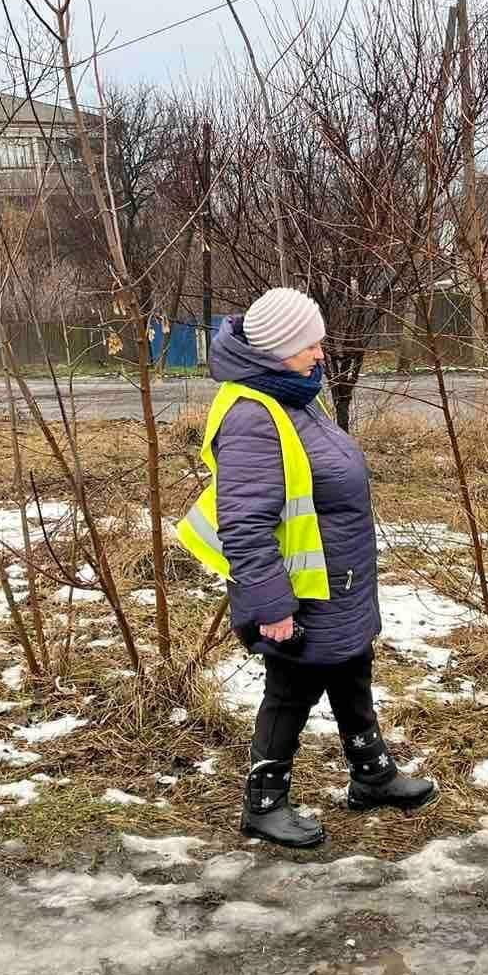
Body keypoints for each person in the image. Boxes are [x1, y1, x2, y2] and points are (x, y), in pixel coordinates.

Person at [177, 288, 437, 848]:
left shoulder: (294, 396)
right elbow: (243, 522)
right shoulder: (254, 415)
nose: (320, 352)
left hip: (337, 579)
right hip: (298, 589)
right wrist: (272, 606)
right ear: (276, 349)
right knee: (292, 688)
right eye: (309, 344)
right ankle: (264, 803)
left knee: (350, 668)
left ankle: (372, 775)